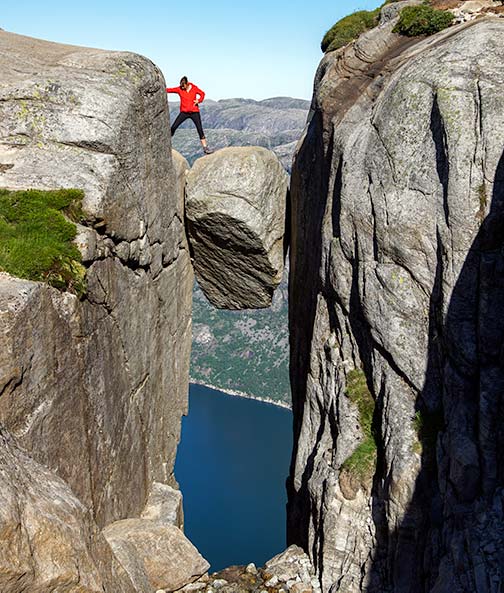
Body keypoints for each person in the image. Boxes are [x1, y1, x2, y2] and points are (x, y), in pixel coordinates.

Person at [166, 76, 214, 154]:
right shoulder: (179, 89)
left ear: (187, 84)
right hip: (184, 112)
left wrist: (199, 100)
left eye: (183, 86)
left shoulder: (194, 88)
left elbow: (202, 94)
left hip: (194, 112)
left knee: (200, 129)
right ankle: (167, 142)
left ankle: (205, 148)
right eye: (181, 86)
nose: (182, 88)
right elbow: (169, 90)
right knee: (174, 126)